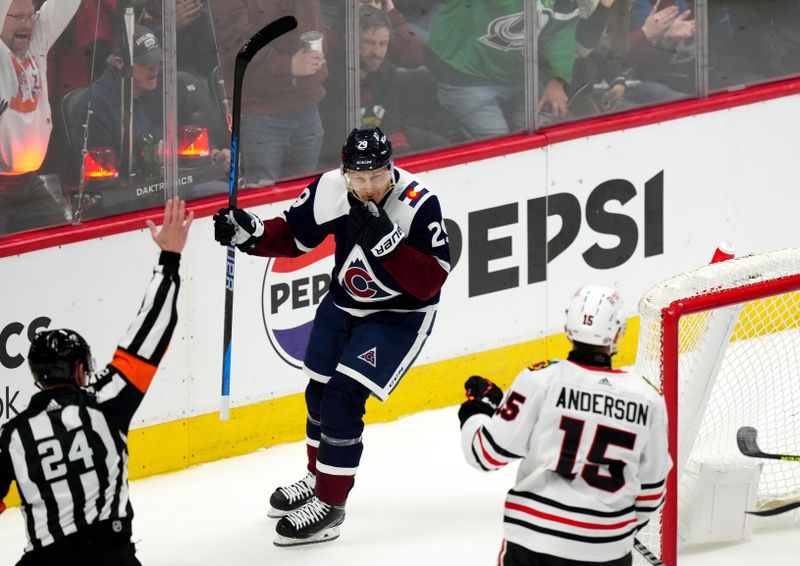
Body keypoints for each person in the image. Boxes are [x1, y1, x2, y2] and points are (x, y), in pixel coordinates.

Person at [213, 127, 451, 546]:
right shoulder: (330, 188)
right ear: (345, 173)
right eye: (359, 178)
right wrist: (249, 232)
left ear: (390, 167)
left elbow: (431, 282)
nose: (368, 187)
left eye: (377, 175)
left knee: (343, 397)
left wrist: (387, 244)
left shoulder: (418, 204)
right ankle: (318, 473)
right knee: (318, 392)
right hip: (342, 305)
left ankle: (330, 505)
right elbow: (291, 235)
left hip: (398, 316)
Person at [0, 197, 193, 566]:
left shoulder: (13, 435)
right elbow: (150, 334)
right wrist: (169, 259)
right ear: (77, 371)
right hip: (111, 556)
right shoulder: (105, 403)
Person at [458, 285, 672, 566]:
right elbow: (652, 493)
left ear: (567, 327)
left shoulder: (540, 379)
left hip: (534, 543)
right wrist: (608, 531)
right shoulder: (648, 398)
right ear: (618, 333)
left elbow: (484, 454)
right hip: (607, 551)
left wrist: (476, 409)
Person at [67, 25, 230, 174]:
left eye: (157, 60)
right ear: (120, 63)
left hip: (182, 183)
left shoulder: (170, 87)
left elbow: (188, 139)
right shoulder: (93, 106)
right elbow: (98, 170)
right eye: (146, 63)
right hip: (131, 201)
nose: (155, 68)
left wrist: (213, 155)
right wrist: (147, 161)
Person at [211, 0, 327, 186]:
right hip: (261, 113)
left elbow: (316, 26)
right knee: (261, 198)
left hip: (306, 103)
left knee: (306, 195)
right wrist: (288, 64)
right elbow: (235, 45)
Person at [318, 5, 448, 167]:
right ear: (350, 41)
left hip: (381, 134)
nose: (377, 52)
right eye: (369, 43)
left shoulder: (386, 72)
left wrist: (404, 160)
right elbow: (337, 139)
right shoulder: (332, 78)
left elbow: (391, 119)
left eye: (382, 43)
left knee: (440, 146)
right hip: (348, 149)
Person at [0, 0, 81, 235]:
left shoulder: (36, 40)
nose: (27, 24)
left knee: (61, 244)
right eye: (17, 17)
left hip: (27, 184)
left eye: (31, 16)